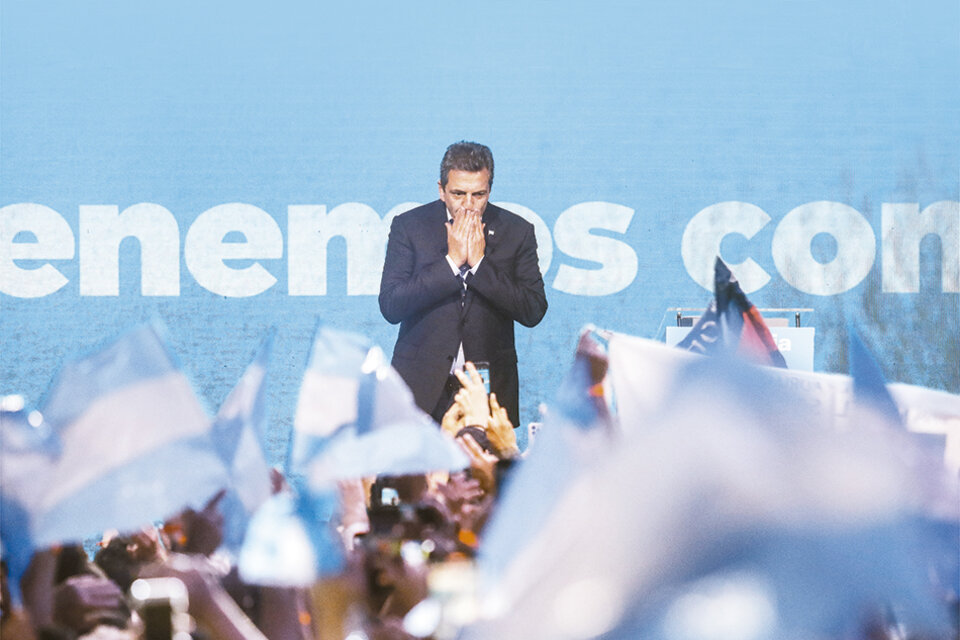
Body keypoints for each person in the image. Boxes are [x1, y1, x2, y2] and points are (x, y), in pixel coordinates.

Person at [379, 141, 547, 429]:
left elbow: (533, 310)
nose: (468, 205)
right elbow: (392, 305)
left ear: (489, 191)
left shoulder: (516, 231)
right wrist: (452, 263)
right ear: (441, 190)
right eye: (458, 193)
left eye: (478, 194)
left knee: (484, 476)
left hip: (486, 391)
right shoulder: (410, 227)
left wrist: (481, 264)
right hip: (418, 389)